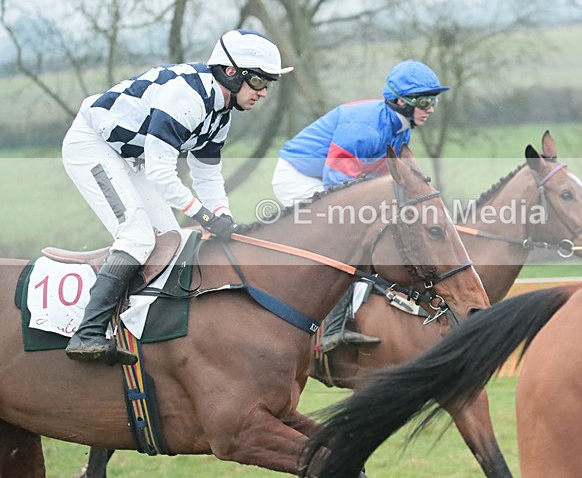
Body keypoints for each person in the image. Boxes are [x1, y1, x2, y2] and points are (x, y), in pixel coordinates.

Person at [62, 29, 292, 364]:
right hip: (92, 146)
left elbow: (207, 172)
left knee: (170, 240)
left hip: (130, 158)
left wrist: (222, 212)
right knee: (138, 237)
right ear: (231, 72)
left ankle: (139, 326)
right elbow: (160, 172)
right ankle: (88, 333)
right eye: (258, 81)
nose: (264, 92)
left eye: (268, 83)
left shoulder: (220, 113)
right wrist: (203, 215)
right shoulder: (186, 97)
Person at [271, 59, 449, 351]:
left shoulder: (400, 128)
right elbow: (338, 186)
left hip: (328, 178)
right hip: (299, 176)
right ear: (401, 101)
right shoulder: (365, 128)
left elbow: (387, 182)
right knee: (349, 237)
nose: (431, 108)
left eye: (434, 101)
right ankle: (332, 328)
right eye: (425, 101)